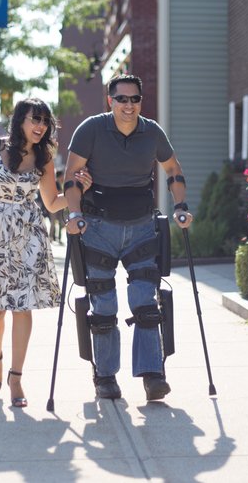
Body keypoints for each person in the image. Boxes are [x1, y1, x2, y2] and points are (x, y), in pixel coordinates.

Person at [0, 98, 91, 409]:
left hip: (29, 237)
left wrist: (79, 191)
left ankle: (16, 376)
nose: (40, 126)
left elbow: (52, 203)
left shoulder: (45, 157)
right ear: (20, 121)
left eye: (44, 121)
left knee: (23, 308)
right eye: (34, 119)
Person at [63, 74, 193, 402]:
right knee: (104, 305)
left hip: (140, 228)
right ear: (110, 101)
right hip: (98, 228)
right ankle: (105, 376)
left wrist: (181, 205)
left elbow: (173, 170)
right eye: (122, 99)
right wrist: (75, 214)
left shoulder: (152, 132)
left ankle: (153, 375)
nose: (129, 105)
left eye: (135, 99)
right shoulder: (90, 129)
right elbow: (70, 178)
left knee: (145, 302)